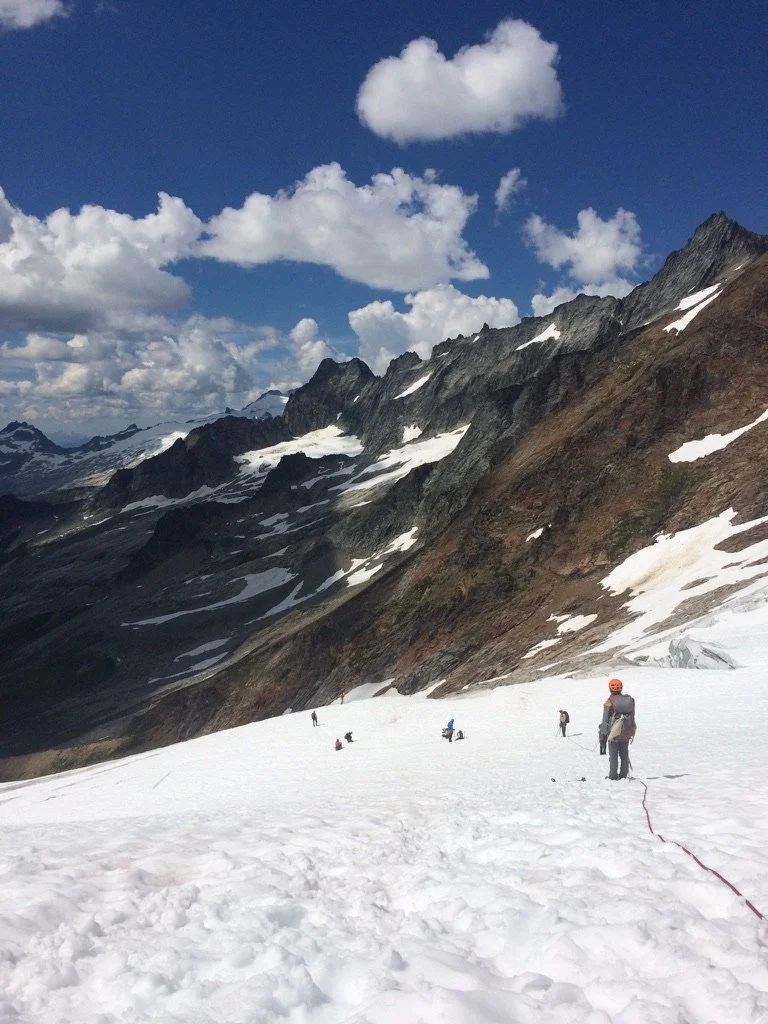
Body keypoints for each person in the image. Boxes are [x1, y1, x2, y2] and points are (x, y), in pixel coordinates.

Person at [601, 678, 636, 780]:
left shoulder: (609, 702)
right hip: (626, 731)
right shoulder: (629, 700)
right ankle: (623, 775)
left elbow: (605, 720)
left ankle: (612, 776)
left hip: (614, 733)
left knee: (613, 756)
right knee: (624, 755)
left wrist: (603, 734)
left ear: (610, 688)